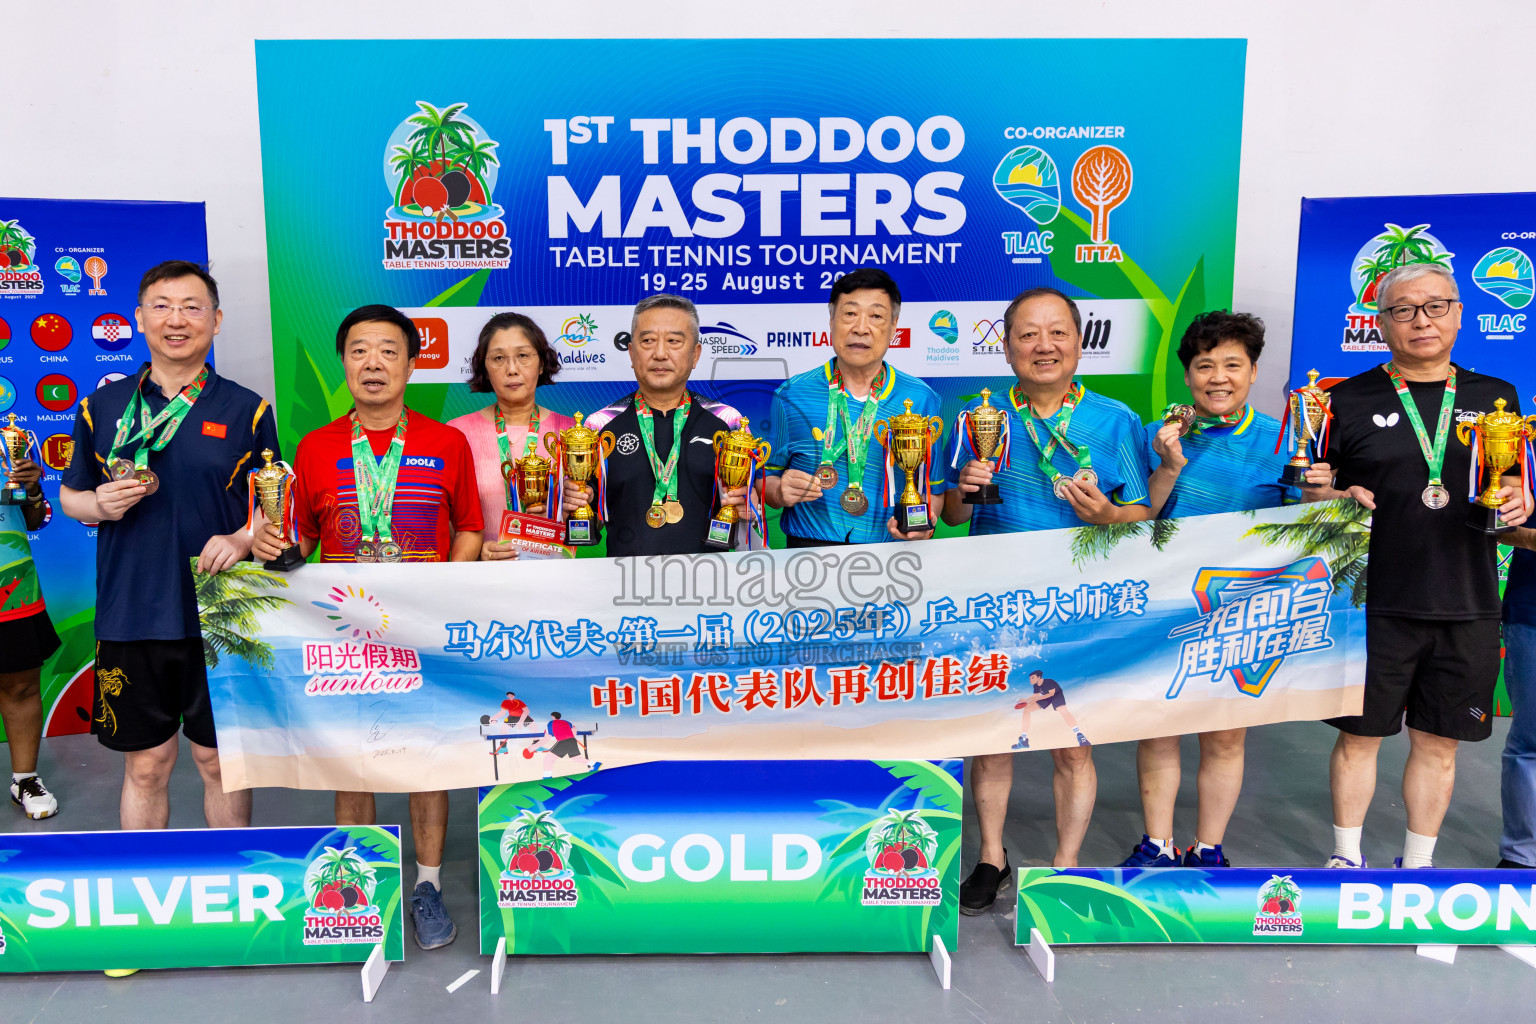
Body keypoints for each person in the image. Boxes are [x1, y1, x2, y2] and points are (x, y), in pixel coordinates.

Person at [252, 304, 482, 949]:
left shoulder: (447, 442)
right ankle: (362, 884)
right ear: (344, 363)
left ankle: (426, 885)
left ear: (412, 363)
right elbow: (297, 539)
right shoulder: (315, 448)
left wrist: (440, 593)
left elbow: (468, 526)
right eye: (359, 350)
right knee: (351, 762)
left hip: (422, 634)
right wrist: (273, 545)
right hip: (344, 639)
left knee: (425, 761)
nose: (373, 363)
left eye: (388, 350)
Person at [1302, 262, 1528, 869]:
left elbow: (1511, 488)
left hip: (1468, 599)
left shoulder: (1496, 397)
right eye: (1403, 309)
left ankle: (1419, 864)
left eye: (1434, 306)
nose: (1420, 320)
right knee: (1360, 737)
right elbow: (1312, 494)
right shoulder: (1342, 400)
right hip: (1370, 601)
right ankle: (1346, 856)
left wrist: (1520, 495)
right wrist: (1327, 495)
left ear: (1458, 313)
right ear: (1380, 322)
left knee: (1440, 742)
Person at [941, 286, 1151, 914]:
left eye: (1057, 332)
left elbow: (1141, 513)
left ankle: (1064, 866)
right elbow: (952, 513)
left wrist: (1109, 511)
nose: (1043, 346)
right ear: (1006, 348)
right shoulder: (974, 417)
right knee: (992, 737)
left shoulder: (1115, 421)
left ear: (1079, 342)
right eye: (1028, 334)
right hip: (994, 598)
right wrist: (966, 487)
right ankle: (991, 858)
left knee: (1072, 738)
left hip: (1080, 601)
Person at [60, 260, 278, 833]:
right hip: (132, 611)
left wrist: (240, 536)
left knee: (219, 762)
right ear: (138, 316)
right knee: (148, 764)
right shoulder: (100, 406)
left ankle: (233, 890)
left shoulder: (247, 408)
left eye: (191, 307)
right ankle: (143, 891)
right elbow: (71, 496)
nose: (175, 320)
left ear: (216, 320)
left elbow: (272, 514)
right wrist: (97, 505)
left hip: (222, 612)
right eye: (161, 306)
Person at [1122, 310, 1295, 869]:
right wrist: (1168, 465)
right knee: (1158, 731)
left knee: (1224, 737)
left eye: (1232, 365)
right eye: (1204, 366)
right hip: (1166, 605)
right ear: (1187, 373)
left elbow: (1302, 523)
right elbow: (1135, 518)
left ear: (1253, 370)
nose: (1217, 378)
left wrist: (1336, 495)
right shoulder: (1158, 435)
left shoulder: (1286, 440)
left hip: (1247, 608)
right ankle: (1157, 843)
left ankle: (1210, 848)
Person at [763, 268, 944, 545]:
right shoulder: (791, 395)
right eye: (849, 314)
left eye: (876, 316)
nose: (861, 327)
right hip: (807, 556)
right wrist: (778, 492)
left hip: (894, 555)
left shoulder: (921, 399)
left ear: (894, 326)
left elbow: (934, 488)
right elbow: (767, 481)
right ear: (832, 321)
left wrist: (924, 527)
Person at [563, 294, 750, 557]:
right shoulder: (598, 427)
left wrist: (748, 504)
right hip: (624, 585)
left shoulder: (728, 423)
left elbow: (749, 516)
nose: (660, 353)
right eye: (648, 341)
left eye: (674, 341)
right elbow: (585, 521)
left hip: (709, 584)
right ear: (631, 352)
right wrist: (575, 501)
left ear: (695, 354)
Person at [446, 312, 574, 558]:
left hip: (554, 579)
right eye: (498, 358)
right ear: (484, 366)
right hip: (485, 579)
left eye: (523, 356)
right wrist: (475, 554)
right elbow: (444, 522)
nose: (512, 369)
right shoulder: (457, 433)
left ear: (541, 363)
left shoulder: (571, 433)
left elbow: (595, 523)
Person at [1, 446, 61, 819]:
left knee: (20, 685)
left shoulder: (8, 442)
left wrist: (33, 488)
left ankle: (25, 779)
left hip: (10, 578)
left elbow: (34, 518)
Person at [1499, 538, 1536, 869]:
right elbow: (1497, 525)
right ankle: (1523, 856)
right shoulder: (1526, 481)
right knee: (1531, 742)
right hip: (1532, 612)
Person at [1012, 670, 1087, 750]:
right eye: (1030, 679)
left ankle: (1080, 735)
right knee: (1026, 710)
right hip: (1045, 696)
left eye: (1033, 678)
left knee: (1062, 711)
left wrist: (1036, 699)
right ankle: (1023, 740)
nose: (1031, 680)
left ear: (1039, 677)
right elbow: (1036, 694)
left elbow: (1051, 694)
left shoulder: (1049, 682)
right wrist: (1026, 700)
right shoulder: (1036, 685)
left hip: (1056, 695)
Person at [523, 711, 600, 779]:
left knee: (549, 758)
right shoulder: (567, 722)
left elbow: (546, 739)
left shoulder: (550, 723)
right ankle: (595, 764)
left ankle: (547, 776)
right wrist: (571, 737)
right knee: (576, 758)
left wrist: (532, 748)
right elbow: (574, 731)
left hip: (563, 742)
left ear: (552, 717)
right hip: (572, 740)